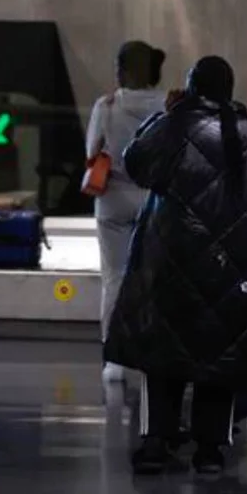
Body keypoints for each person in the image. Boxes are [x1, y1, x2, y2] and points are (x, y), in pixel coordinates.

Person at [105, 56, 247, 476]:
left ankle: (156, 442)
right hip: (234, 265)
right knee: (220, 353)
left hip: (170, 260)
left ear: (190, 86)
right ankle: (210, 451)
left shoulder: (173, 126)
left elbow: (135, 164)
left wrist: (167, 115)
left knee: (163, 352)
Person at [84, 41, 166, 386]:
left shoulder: (107, 105)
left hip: (114, 199)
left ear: (125, 70)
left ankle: (114, 358)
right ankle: (149, 350)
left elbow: (91, 150)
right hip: (154, 199)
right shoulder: (167, 106)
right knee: (150, 279)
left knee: (114, 278)